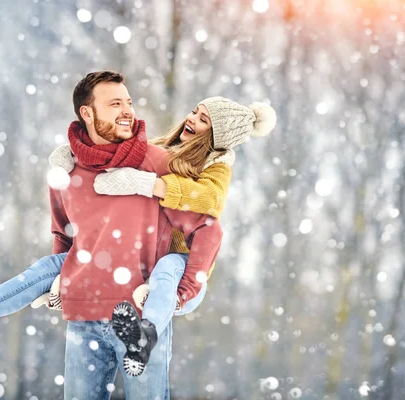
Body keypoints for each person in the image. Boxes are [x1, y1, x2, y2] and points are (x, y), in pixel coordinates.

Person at [0, 70, 224, 400]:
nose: (128, 110)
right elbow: (64, 234)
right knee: (43, 268)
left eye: (128, 102)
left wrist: (183, 292)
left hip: (138, 322)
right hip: (84, 319)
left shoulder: (157, 163)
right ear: (87, 112)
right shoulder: (67, 169)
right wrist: (61, 284)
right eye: (115, 104)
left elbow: (208, 227)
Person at [44, 96, 277, 376]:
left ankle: (147, 334)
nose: (191, 119)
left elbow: (209, 199)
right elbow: (117, 153)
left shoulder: (217, 167)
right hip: (146, 268)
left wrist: (148, 184)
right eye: (194, 111)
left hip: (184, 271)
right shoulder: (163, 149)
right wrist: (72, 154)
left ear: (217, 137)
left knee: (165, 271)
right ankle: (63, 288)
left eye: (204, 120)